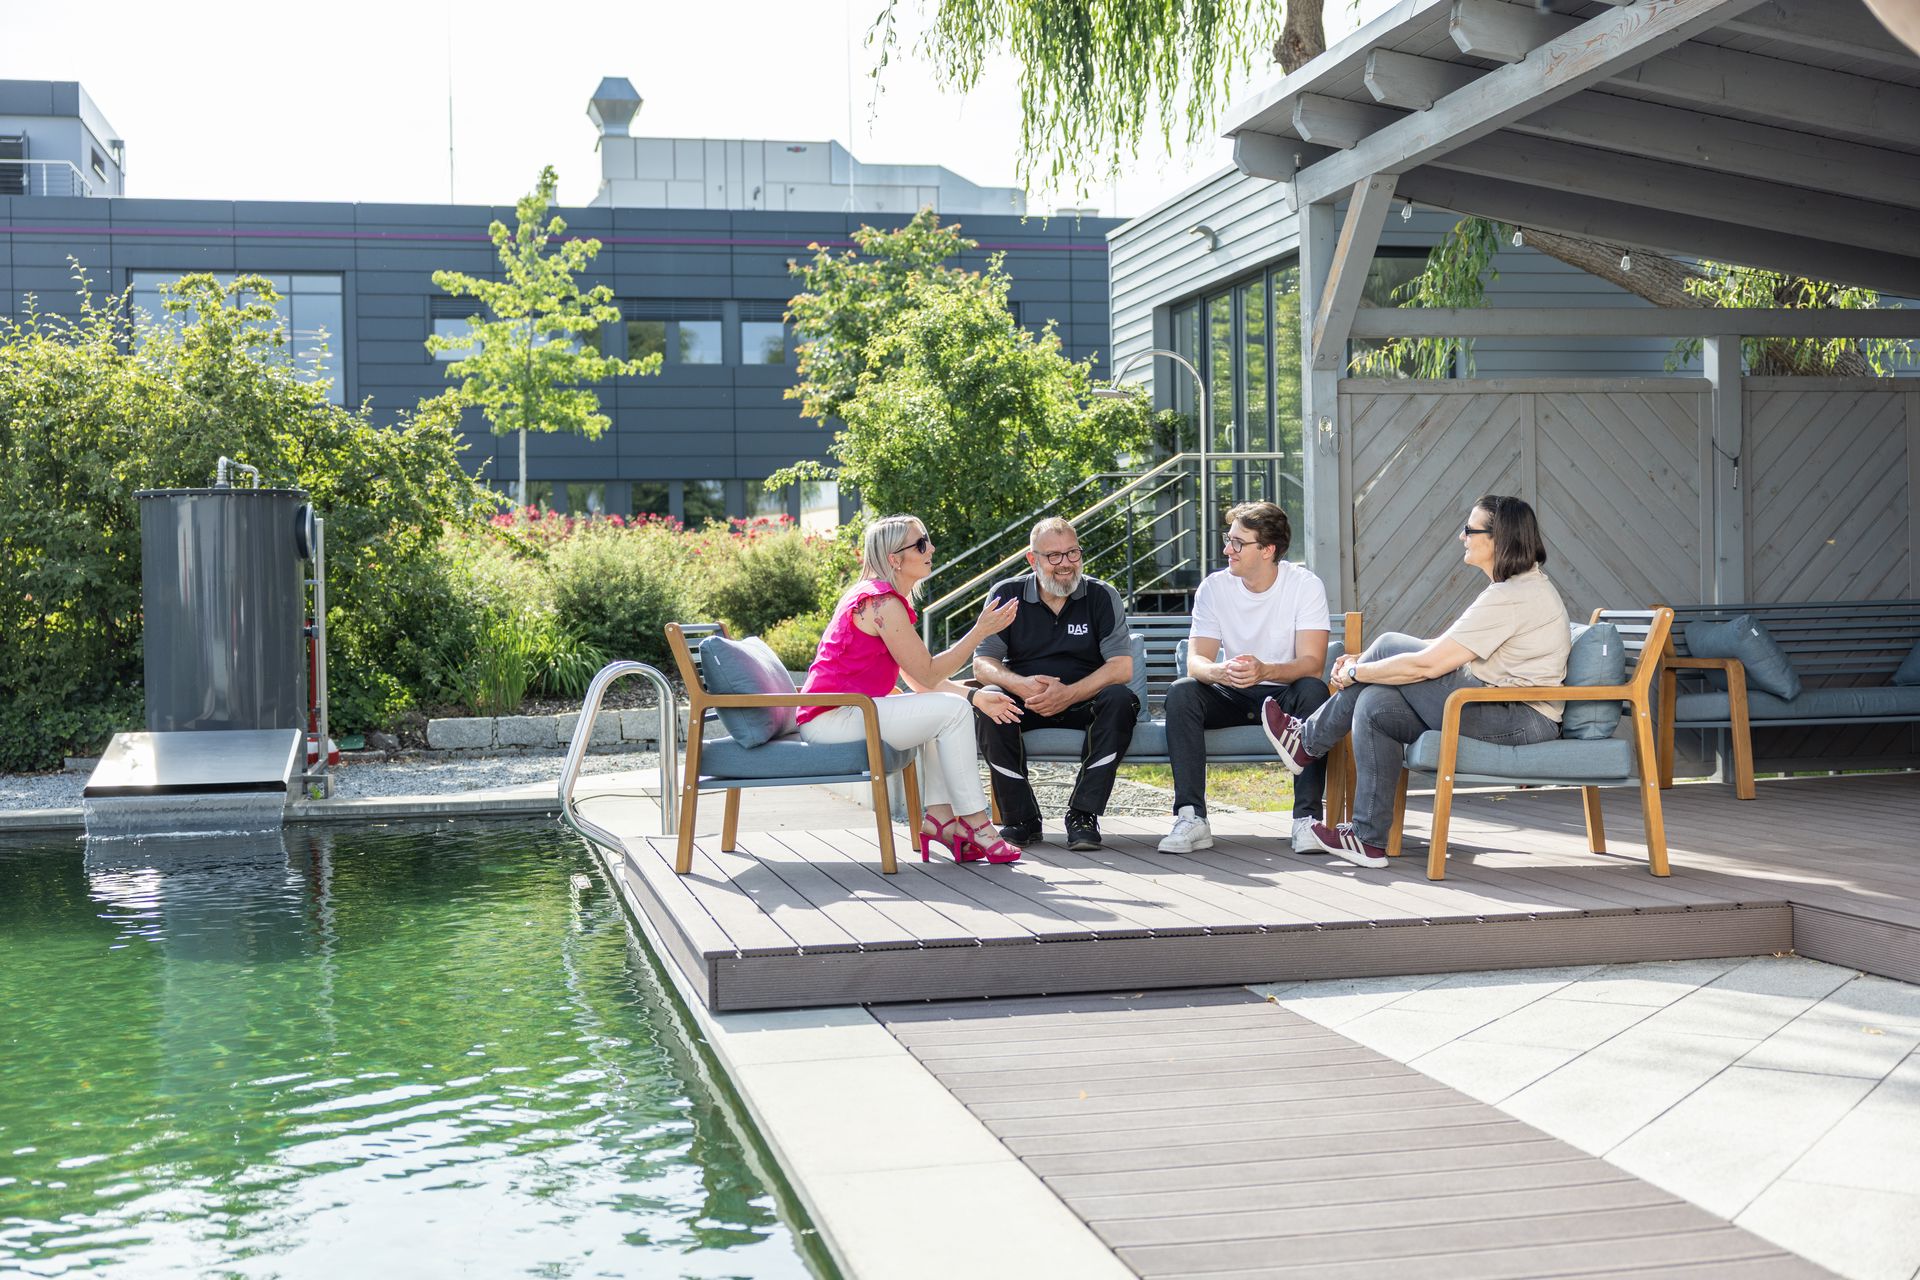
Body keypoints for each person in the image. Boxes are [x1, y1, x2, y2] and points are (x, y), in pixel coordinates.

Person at [1263, 494, 1571, 868]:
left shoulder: (1514, 596)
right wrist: (1366, 664)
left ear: (1497, 538)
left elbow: (1427, 666)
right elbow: (1444, 648)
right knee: (1375, 704)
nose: (1462, 537)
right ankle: (1367, 839)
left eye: (1469, 529)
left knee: (1389, 645)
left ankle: (1307, 741)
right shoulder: (1514, 590)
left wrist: (1357, 671)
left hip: (1520, 719)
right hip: (1495, 707)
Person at [796, 514, 1028, 865]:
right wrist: (980, 631)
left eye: (927, 540)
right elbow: (927, 671)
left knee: (944, 706)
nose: (930, 548)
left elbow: (921, 682)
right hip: (834, 716)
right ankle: (978, 824)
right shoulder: (881, 604)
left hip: (848, 711)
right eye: (920, 544)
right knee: (951, 711)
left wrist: (974, 695)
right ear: (894, 558)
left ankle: (940, 818)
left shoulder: (880, 600)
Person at [1158, 501, 1333, 858]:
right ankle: (1192, 819)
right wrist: (1217, 672)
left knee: (1315, 690)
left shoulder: (1304, 585)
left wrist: (1266, 670)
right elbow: (1196, 662)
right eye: (1228, 539)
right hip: (1231, 693)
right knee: (1182, 693)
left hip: (1284, 695)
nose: (1227, 549)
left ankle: (1307, 821)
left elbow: (1313, 663)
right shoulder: (1214, 588)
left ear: (1267, 550)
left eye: (1238, 543)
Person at [971, 517, 1138, 851]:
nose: (1066, 564)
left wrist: (1070, 693)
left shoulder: (1102, 595)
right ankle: (1021, 819)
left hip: (1084, 699)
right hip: (1026, 699)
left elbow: (1121, 668)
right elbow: (983, 664)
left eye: (1072, 553)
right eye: (1054, 556)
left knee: (1121, 699)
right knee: (990, 702)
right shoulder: (1007, 594)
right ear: (1033, 560)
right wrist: (1019, 685)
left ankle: (1083, 815)